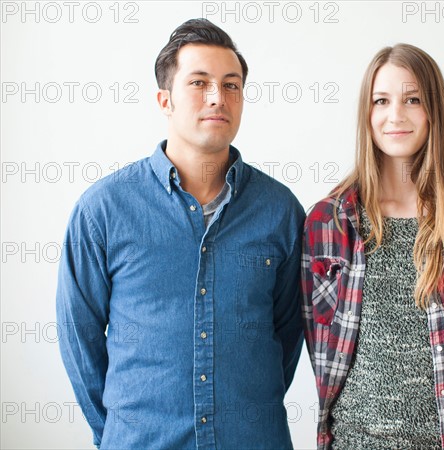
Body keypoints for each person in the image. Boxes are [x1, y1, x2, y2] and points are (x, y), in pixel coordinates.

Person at [56, 18, 305, 449]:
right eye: (199, 83)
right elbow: (79, 337)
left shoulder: (280, 211)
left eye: (231, 85)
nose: (217, 98)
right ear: (165, 100)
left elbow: (287, 333)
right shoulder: (104, 210)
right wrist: (119, 430)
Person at [301, 43, 444, 449]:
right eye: (381, 101)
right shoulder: (328, 222)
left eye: (412, 100)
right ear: (366, 113)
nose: (396, 116)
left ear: (434, 111)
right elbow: (319, 347)